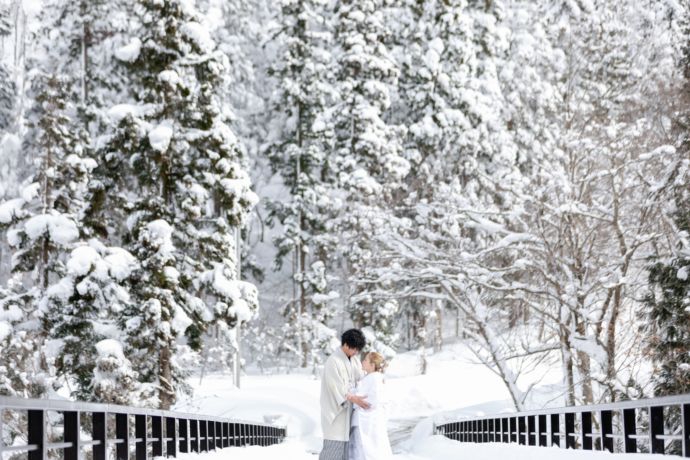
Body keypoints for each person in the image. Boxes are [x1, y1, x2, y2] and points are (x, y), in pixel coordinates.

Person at [319, 329, 369, 460]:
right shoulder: (333, 361)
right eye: (354, 349)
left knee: (348, 453)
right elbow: (335, 387)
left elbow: (361, 379)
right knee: (333, 448)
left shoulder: (355, 360)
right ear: (346, 345)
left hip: (349, 413)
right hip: (336, 413)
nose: (356, 352)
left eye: (358, 350)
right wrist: (353, 398)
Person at [348, 352, 393, 460]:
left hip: (365, 423)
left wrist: (349, 394)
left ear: (372, 365)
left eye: (366, 360)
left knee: (365, 451)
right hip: (366, 422)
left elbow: (365, 399)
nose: (362, 361)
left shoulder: (373, 378)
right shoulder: (372, 378)